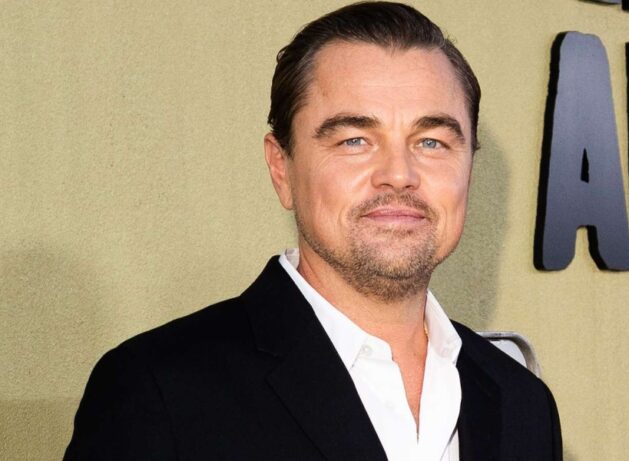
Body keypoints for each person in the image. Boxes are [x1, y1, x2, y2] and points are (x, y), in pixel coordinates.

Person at [64, 2, 562, 460]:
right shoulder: (159, 392)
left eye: (431, 142)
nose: (399, 173)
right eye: (355, 140)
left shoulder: (521, 401)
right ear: (281, 168)